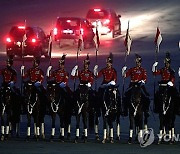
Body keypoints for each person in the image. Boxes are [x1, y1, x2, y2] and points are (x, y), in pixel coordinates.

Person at [122, 54, 150, 142]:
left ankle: (146, 110)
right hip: (133, 85)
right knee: (125, 95)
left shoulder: (143, 70)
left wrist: (142, 81)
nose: (138, 63)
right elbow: (125, 76)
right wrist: (124, 71)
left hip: (140, 85)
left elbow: (145, 78)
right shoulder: (132, 69)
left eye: (139, 62)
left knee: (146, 96)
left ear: (140, 62)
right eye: (137, 62)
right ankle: (125, 110)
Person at [46, 54, 72, 140]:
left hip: (62, 86)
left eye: (62, 64)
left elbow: (65, 80)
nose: (61, 66)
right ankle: (48, 107)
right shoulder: (56, 71)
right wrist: (48, 71)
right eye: (60, 64)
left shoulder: (65, 72)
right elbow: (49, 78)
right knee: (49, 93)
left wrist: (61, 84)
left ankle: (68, 106)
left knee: (68, 94)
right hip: (56, 86)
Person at [71, 54, 94, 142]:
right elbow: (73, 77)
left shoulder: (90, 73)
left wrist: (89, 84)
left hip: (87, 87)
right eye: (84, 65)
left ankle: (92, 108)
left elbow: (91, 80)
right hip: (81, 87)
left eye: (87, 65)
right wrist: (74, 70)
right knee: (74, 95)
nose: (85, 66)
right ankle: (73, 108)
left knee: (92, 95)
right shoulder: (80, 72)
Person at [0, 57, 20, 139]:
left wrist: (11, 83)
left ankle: (16, 106)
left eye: (8, 63)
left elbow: (15, 80)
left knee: (15, 94)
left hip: (10, 85)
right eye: (6, 62)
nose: (7, 64)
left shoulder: (13, 71)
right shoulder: (4, 70)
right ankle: (2, 132)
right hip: (4, 85)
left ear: (11, 64)